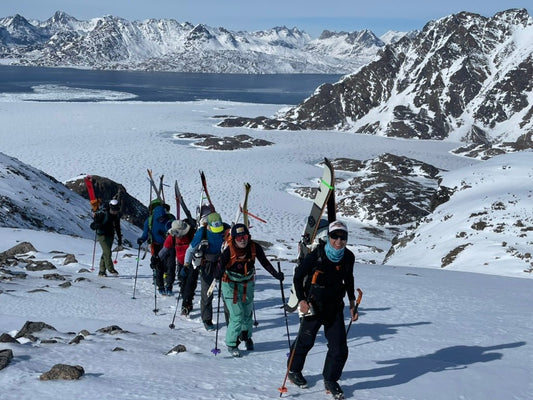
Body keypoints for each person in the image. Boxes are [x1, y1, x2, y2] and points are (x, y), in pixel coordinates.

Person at [287, 220, 358, 398]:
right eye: (335, 236)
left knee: (339, 347)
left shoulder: (348, 257)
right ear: (328, 237)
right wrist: (302, 300)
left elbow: (349, 280)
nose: (338, 241)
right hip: (313, 304)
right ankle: (293, 370)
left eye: (343, 237)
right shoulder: (317, 255)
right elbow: (298, 277)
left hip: (334, 306)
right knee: (306, 341)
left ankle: (331, 380)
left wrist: (352, 302)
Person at [216, 223, 284, 357]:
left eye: (245, 236)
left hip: (247, 283)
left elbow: (264, 262)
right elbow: (219, 267)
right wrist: (217, 274)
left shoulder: (254, 247)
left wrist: (276, 274)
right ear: (234, 238)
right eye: (239, 237)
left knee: (247, 312)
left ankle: (246, 336)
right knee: (237, 315)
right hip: (230, 285)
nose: (242, 239)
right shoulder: (228, 251)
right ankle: (232, 343)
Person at [182, 212, 229, 331]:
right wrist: (186, 264)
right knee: (207, 293)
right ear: (208, 225)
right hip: (207, 264)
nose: (218, 231)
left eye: (219, 229)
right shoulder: (202, 232)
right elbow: (190, 249)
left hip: (223, 263)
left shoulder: (226, 228)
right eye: (215, 229)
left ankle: (231, 321)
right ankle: (207, 319)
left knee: (227, 293)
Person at [137, 199, 175, 294]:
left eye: (162, 218)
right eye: (159, 218)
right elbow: (145, 234)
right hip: (157, 246)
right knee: (159, 267)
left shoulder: (170, 218)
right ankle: (161, 287)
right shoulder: (150, 221)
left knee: (170, 266)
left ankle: (169, 286)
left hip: (169, 246)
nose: (161, 220)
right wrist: (141, 239)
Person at [157, 219, 194, 296]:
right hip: (181, 261)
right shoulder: (172, 237)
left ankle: (186, 297)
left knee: (189, 280)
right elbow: (165, 250)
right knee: (182, 277)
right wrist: (157, 259)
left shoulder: (191, 234)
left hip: (192, 262)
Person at [90, 199, 122, 277]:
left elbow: (117, 228)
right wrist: (96, 226)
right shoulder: (102, 214)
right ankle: (110, 269)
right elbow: (92, 225)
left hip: (110, 236)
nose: (115, 212)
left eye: (116, 210)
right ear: (110, 208)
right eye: (113, 210)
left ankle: (102, 272)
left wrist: (119, 239)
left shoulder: (116, 217)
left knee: (105, 253)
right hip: (102, 236)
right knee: (108, 252)